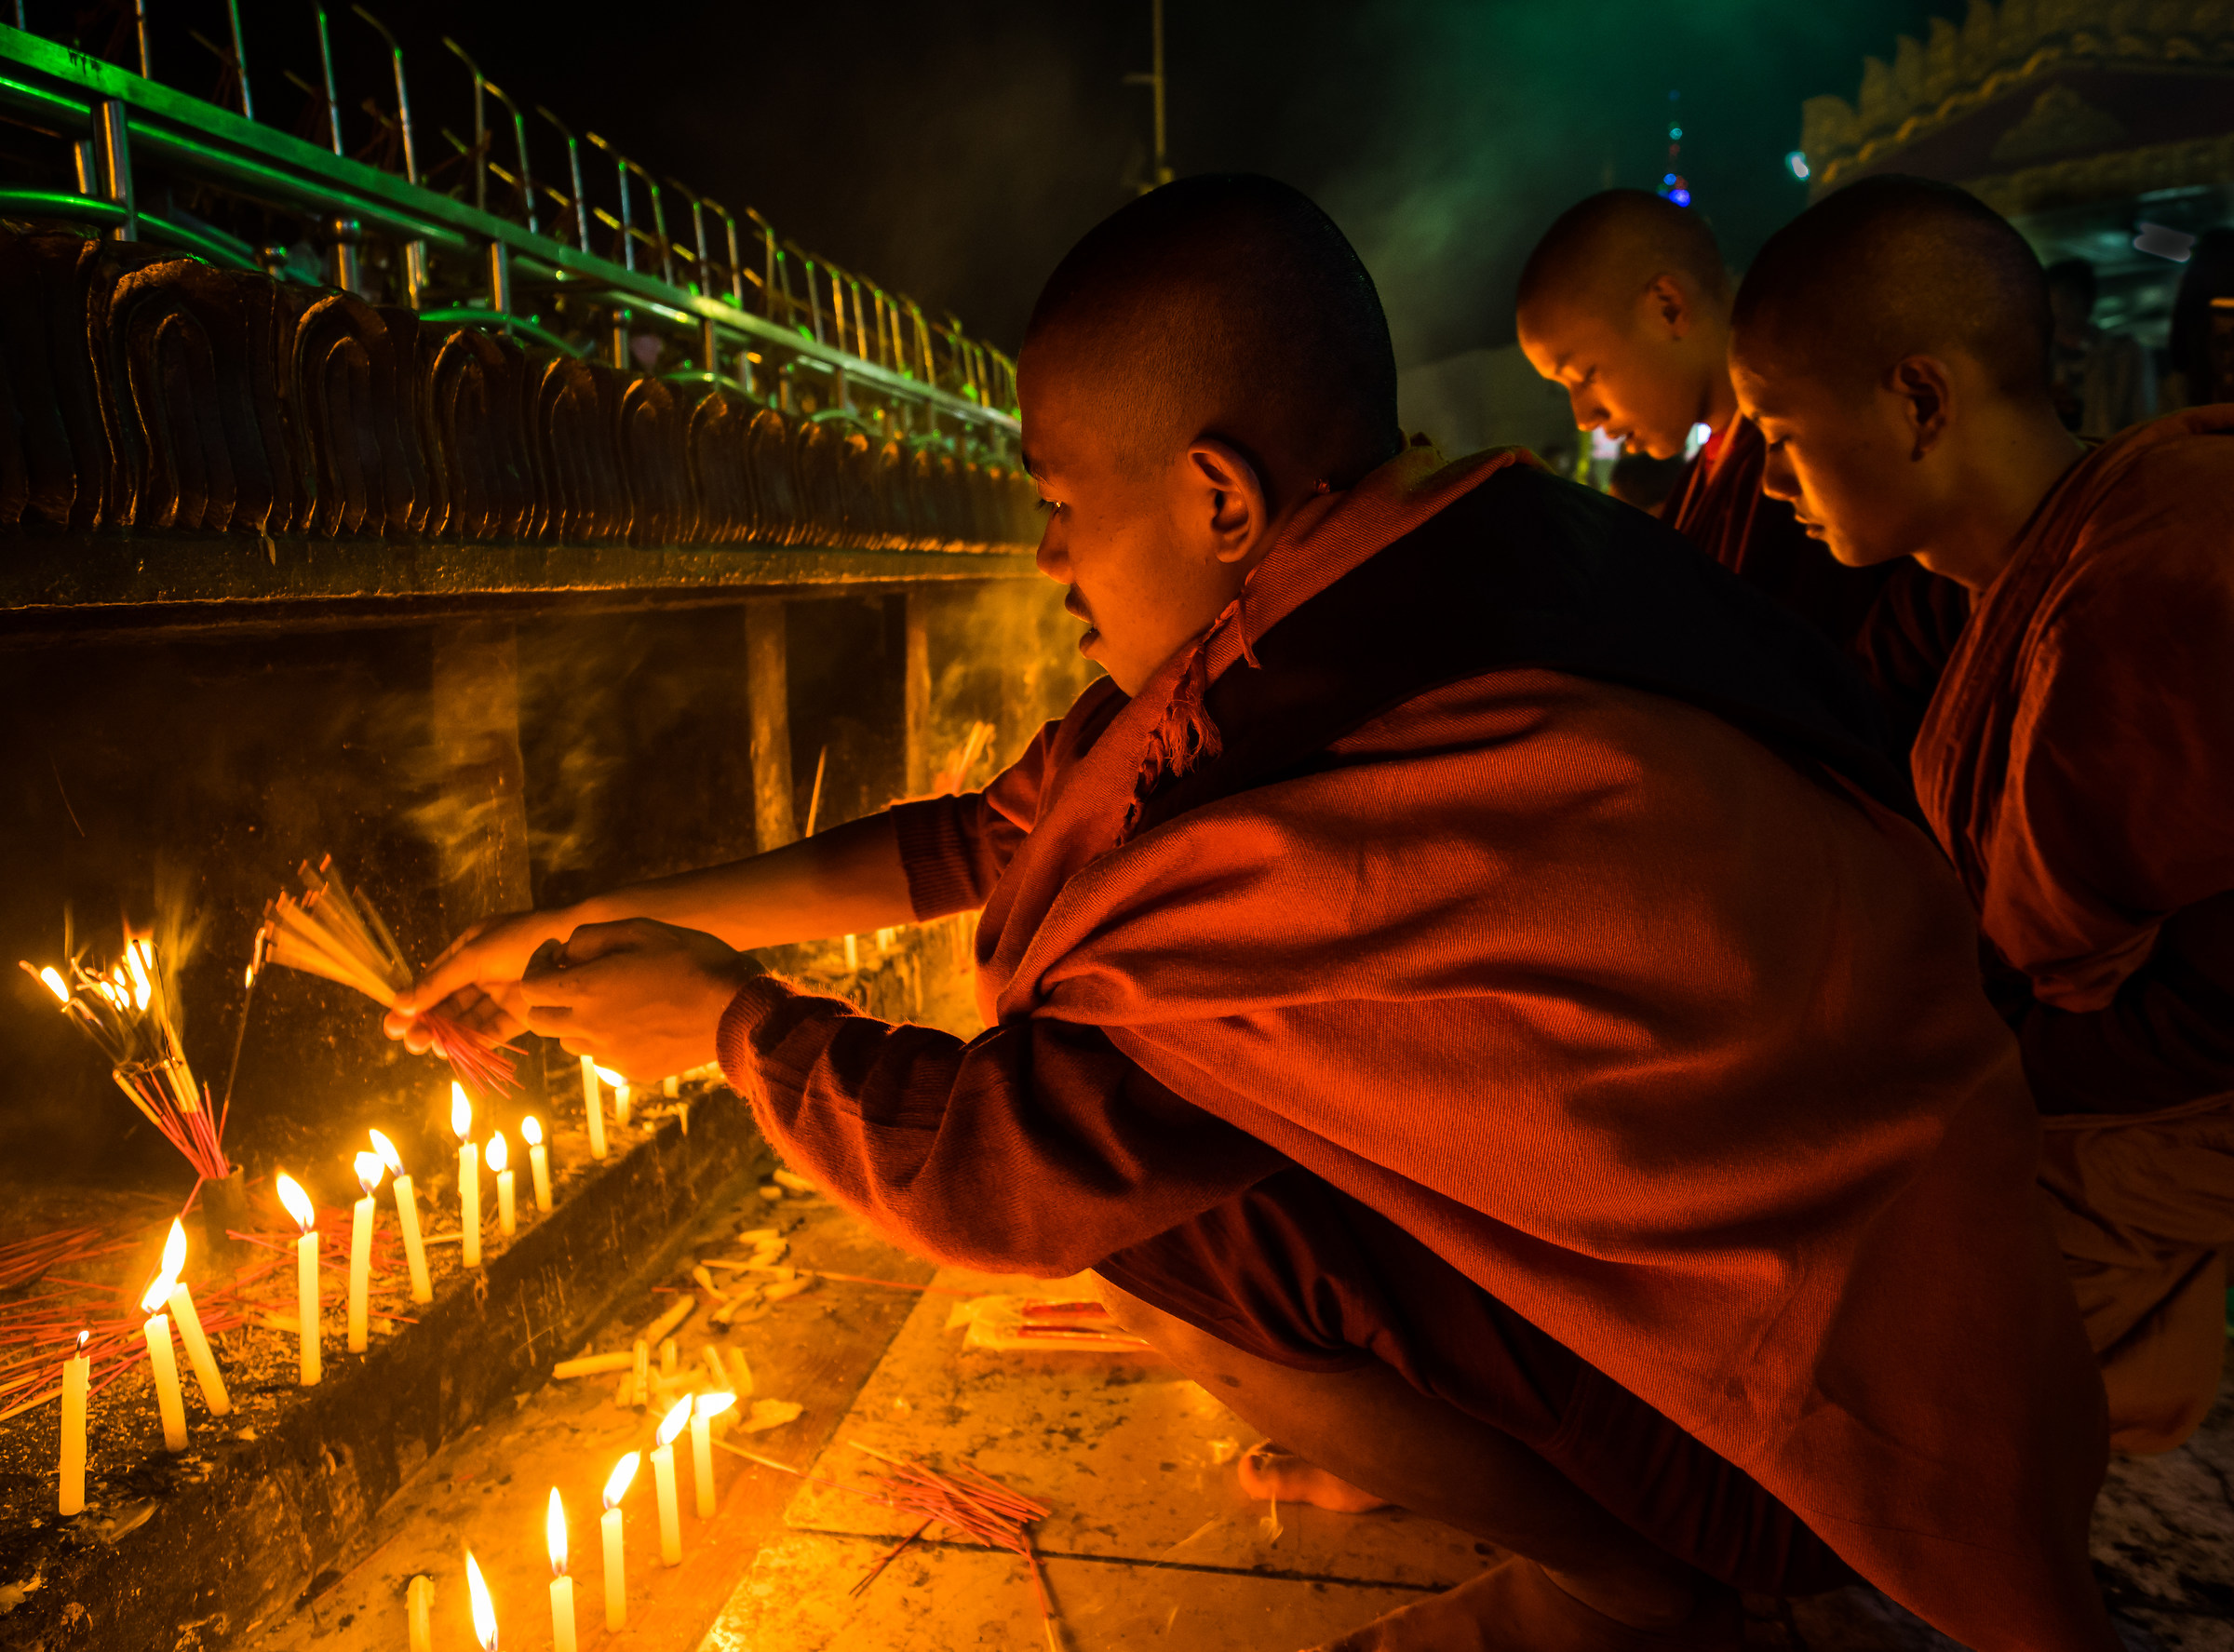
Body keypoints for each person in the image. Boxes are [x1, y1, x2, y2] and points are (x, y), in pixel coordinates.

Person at [397, 176, 2116, 1652]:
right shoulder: (1422, 568)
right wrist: (598, 914)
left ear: (1217, 497)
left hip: (1827, 1427)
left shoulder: (1341, 763)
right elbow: (978, 837)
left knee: (1160, 1239)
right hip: (1912, 1299)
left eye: (1060, 509)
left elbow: (1003, 1168)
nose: (1051, 567)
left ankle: (1646, 1598)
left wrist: (722, 1026)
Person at [1729, 172, 2234, 1458]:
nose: (1772, 481)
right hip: (2098, 1069)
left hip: (2181, 1104)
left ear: (1918, 399)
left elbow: (2214, 1007)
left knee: (1806, 1351)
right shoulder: (2000, 573)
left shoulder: (2146, 583)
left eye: (1782, 434)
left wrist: (1952, 1070)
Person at [1517, 190, 1966, 751]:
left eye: (1585, 374)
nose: (1585, 418)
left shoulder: (1817, 469)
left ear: (1668, 307)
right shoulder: (1701, 483)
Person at [2043, 257, 2155, 438]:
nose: (2058, 307)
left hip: (2110, 456)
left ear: (2087, 301)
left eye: (2067, 297)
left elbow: (2143, 415)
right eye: (2052, 298)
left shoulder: (2122, 354)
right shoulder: (2039, 356)